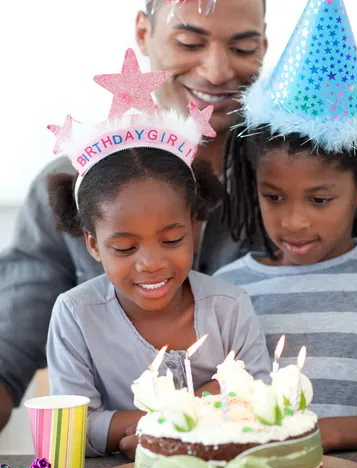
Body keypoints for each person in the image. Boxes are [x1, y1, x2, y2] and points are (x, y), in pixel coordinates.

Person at [0, 0, 267, 432]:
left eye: (242, 47)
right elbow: (10, 339)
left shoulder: (298, 182)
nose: (217, 71)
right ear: (143, 32)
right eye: (189, 41)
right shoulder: (73, 186)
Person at [46, 51, 270, 459]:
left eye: (171, 240)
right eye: (125, 247)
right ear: (93, 243)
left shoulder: (230, 306)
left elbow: (258, 396)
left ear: (195, 225)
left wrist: (153, 425)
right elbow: (73, 423)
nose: (151, 263)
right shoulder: (75, 315)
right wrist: (198, 407)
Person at [215, 0, 357, 453]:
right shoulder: (226, 291)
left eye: (320, 200)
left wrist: (318, 434)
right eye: (273, 196)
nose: (293, 221)